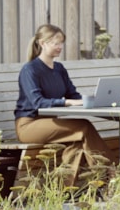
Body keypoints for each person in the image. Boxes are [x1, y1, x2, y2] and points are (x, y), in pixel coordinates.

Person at [14, 24, 112, 183]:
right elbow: (37, 103)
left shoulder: (59, 68)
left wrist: (90, 100)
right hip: (29, 125)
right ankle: (110, 173)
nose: (60, 47)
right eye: (55, 43)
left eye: (61, 43)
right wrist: (67, 102)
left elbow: (73, 94)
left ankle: (65, 189)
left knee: (76, 143)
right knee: (83, 126)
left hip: (51, 124)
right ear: (42, 43)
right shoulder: (30, 70)